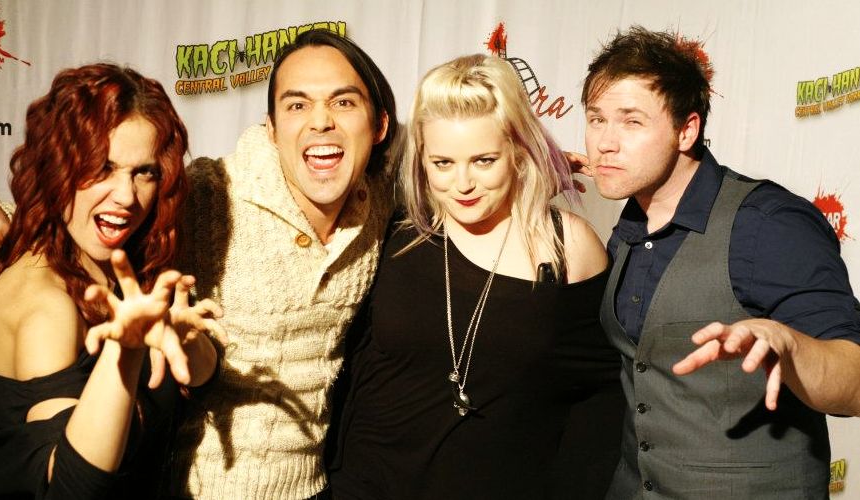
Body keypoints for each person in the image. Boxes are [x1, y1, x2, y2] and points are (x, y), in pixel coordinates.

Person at [0, 30, 398, 499]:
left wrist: (189, 340)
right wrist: (20, 230)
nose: (320, 123)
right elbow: (64, 480)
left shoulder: (379, 205)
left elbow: (115, 225)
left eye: (343, 102)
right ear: (271, 128)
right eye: (297, 104)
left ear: (378, 125)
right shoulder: (214, 197)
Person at [0, 63, 225, 499]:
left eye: (144, 172)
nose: (125, 195)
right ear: (57, 167)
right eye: (102, 167)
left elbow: (200, 377)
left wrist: (184, 338)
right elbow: (68, 487)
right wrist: (126, 351)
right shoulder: (48, 304)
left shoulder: (115, 268)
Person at [579, 26, 860, 498]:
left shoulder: (768, 224)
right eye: (595, 119)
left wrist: (788, 345)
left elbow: (854, 381)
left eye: (631, 122)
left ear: (686, 129)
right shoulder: (626, 225)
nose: (605, 142)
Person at [327, 54, 624, 499]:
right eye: (442, 163)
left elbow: (601, 398)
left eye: (484, 160)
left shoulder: (568, 247)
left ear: (518, 152)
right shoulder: (392, 231)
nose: (462, 184)